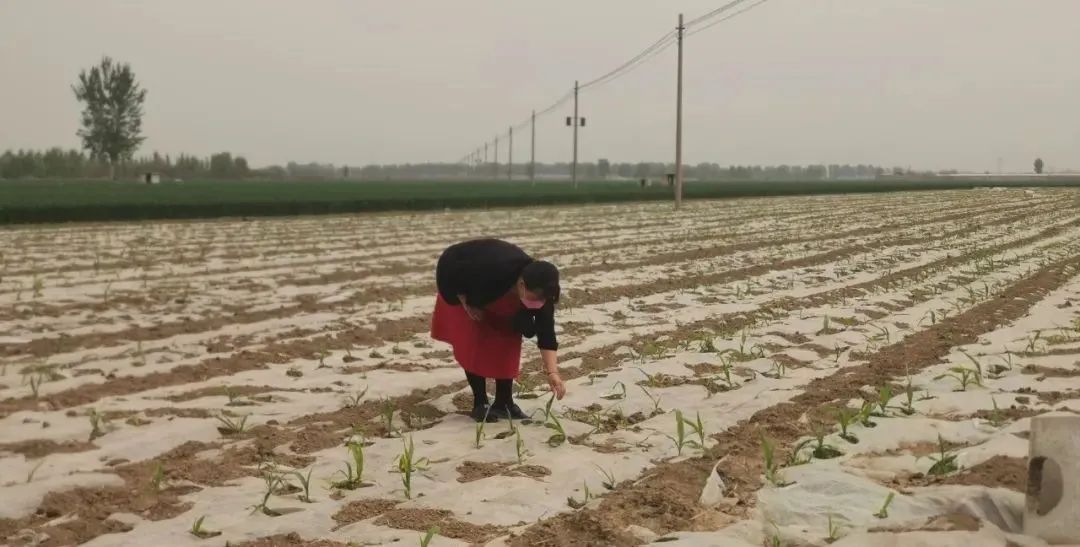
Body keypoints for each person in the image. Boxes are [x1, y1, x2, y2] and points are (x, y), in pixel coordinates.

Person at [431, 238, 566, 422]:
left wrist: (553, 373)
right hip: (463, 285)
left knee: (508, 342)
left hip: (499, 299)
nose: (536, 304)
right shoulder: (493, 270)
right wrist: (464, 300)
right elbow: (449, 269)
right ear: (521, 285)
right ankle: (480, 402)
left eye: (540, 301)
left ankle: (504, 403)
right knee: (474, 342)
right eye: (533, 299)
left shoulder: (543, 295)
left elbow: (547, 334)